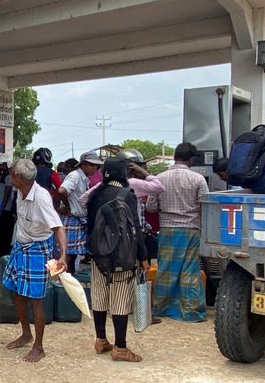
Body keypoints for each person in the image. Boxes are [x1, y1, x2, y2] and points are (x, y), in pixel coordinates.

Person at [1, 158, 68, 363]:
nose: (9, 176)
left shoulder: (41, 198)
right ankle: (26, 334)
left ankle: (39, 347)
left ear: (18, 178)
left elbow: (58, 227)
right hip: (21, 246)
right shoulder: (19, 191)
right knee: (17, 292)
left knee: (36, 300)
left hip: (38, 250)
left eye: (12, 173)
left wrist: (63, 255)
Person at [85, 157, 150, 362]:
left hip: (98, 254)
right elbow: (135, 228)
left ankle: (101, 339)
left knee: (100, 295)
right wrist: (143, 256)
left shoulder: (95, 193)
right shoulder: (126, 194)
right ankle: (120, 347)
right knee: (120, 299)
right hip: (122, 255)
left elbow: (89, 225)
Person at [146, 143, 208, 322]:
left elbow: (150, 206)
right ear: (191, 159)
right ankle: (191, 312)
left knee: (165, 269)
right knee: (190, 270)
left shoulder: (160, 178)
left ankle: (162, 308)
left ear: (175, 156)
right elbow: (204, 205)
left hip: (167, 228)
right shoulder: (198, 179)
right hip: (191, 228)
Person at [80, 148, 164, 263]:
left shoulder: (101, 187)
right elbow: (159, 187)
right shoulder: (132, 184)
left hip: (104, 237)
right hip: (128, 237)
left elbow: (82, 200)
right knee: (126, 272)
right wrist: (144, 173)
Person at [58, 151, 104, 274]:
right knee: (68, 255)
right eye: (92, 165)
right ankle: (64, 281)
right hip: (72, 218)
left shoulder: (83, 178)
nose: (95, 168)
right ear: (83, 164)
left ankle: (69, 279)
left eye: (97, 166)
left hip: (77, 219)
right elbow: (62, 190)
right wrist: (68, 206)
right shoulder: (75, 176)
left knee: (72, 255)